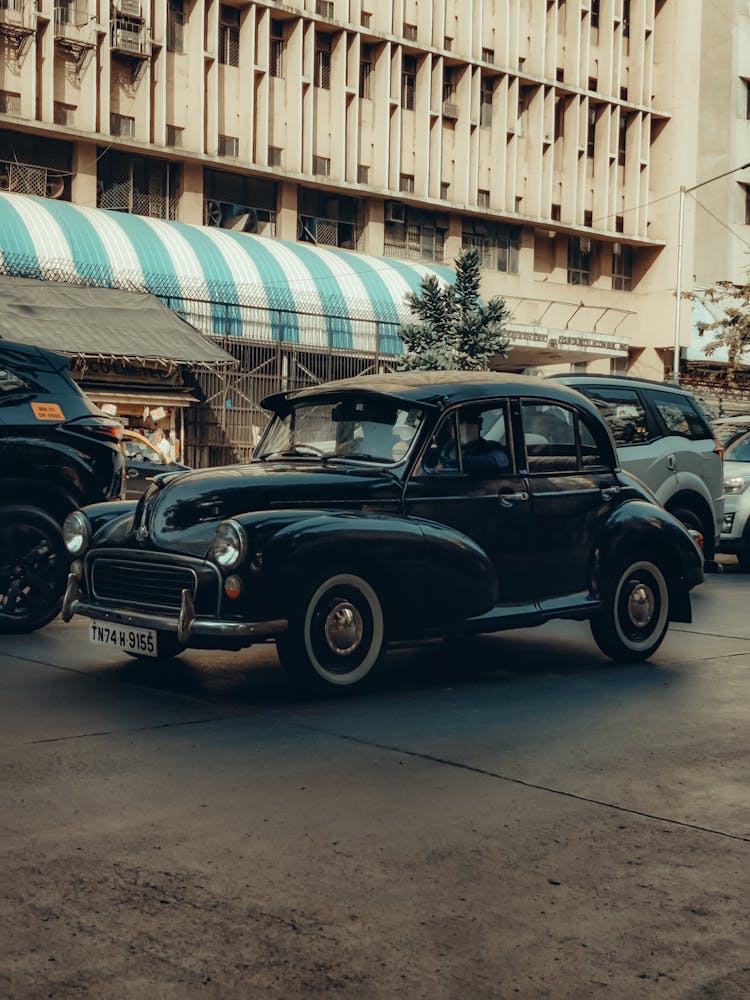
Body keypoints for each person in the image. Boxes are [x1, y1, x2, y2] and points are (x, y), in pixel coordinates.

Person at [457, 407, 510, 477]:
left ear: (480, 423)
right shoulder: (447, 448)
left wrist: (455, 462)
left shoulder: (492, 447)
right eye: (460, 421)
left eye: (471, 420)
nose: (465, 427)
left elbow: (501, 461)